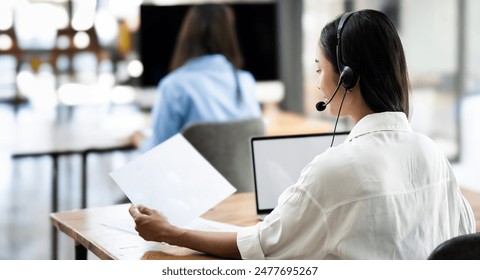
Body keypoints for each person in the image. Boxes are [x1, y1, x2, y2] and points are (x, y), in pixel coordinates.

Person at [128, 9, 476, 259]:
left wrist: (171, 233)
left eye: (319, 68)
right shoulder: (433, 153)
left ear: (346, 78)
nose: (317, 81)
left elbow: (261, 247)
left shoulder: (336, 169)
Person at [132, 4, 261, 151]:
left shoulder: (173, 86)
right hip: (239, 174)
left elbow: (159, 151)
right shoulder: (245, 81)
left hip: (190, 174)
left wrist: (140, 141)